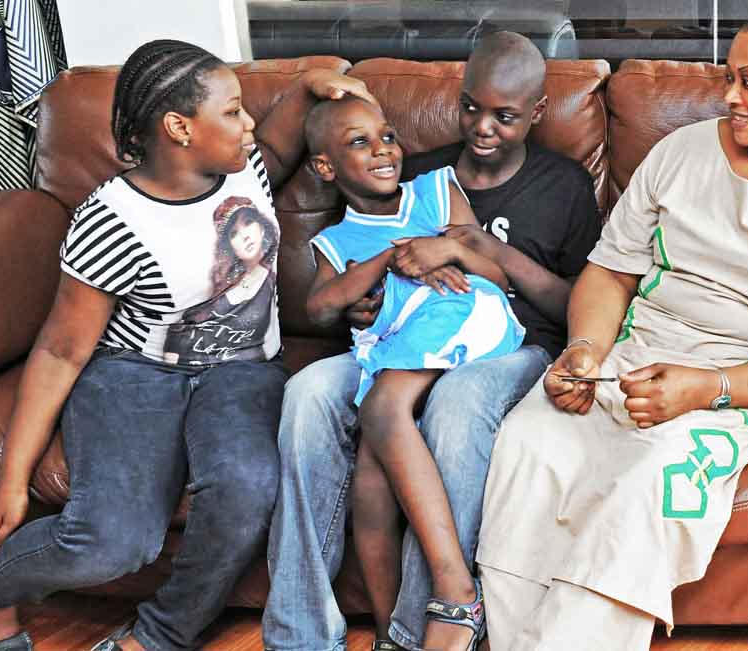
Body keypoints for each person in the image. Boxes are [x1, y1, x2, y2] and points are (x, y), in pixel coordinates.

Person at [474, 5, 748, 650]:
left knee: (647, 483)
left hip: (739, 386)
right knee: (530, 443)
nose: (729, 95)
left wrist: (706, 388)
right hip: (633, 355)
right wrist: (586, 351)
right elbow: (609, 275)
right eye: (728, 76)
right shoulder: (681, 151)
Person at [0, 40, 376, 651]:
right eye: (232, 112)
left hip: (242, 372)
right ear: (179, 128)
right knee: (115, 542)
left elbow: (298, 103)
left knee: (247, 490)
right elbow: (60, 350)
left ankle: (160, 634)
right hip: (133, 373)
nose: (249, 124)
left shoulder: (248, 167)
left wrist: (323, 77)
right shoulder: (111, 220)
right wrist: (13, 479)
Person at [264, 31, 602, 651]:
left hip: (516, 343)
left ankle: (435, 618)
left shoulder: (565, 186)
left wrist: (468, 250)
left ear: (537, 112)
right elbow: (347, 276)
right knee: (308, 390)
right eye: (471, 107)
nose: (483, 127)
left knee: (455, 402)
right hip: (404, 336)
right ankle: (301, 630)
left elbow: (576, 305)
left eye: (504, 116)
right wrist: (364, 305)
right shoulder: (419, 175)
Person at [305, 95, 527, 651]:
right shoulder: (334, 242)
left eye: (387, 136)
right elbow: (319, 307)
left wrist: (435, 249)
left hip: (465, 311)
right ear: (325, 167)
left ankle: (455, 586)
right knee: (370, 476)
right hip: (398, 342)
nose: (383, 150)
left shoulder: (435, 189)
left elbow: (496, 274)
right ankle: (390, 634)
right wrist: (386, 258)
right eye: (361, 142)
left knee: (382, 407)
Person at [163, 198, 280, 364]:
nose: (245, 236)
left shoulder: (268, 279)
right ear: (230, 245)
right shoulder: (226, 280)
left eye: (248, 222)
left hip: (240, 369)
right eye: (234, 233)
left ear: (261, 226)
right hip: (179, 362)